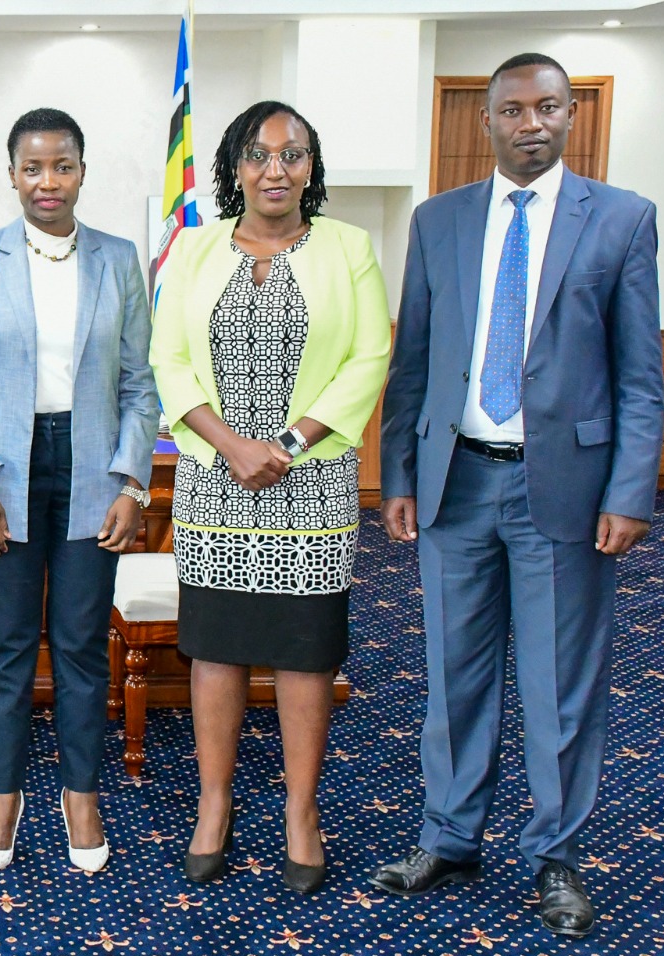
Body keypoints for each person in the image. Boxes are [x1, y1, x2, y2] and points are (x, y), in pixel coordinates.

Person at [371, 54, 661, 938]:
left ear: (570, 115)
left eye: (547, 108)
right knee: (454, 678)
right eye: (512, 110)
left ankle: (557, 857)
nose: (530, 122)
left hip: (565, 492)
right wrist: (400, 476)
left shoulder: (620, 220)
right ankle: (451, 836)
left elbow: (640, 377)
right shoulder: (440, 221)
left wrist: (632, 490)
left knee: (559, 682)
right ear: (485, 121)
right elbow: (412, 362)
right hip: (456, 486)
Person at [150, 101, 391, 894]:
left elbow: (367, 356)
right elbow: (169, 357)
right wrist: (231, 445)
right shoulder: (195, 246)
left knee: (303, 650)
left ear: (311, 168)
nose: (275, 169)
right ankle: (213, 806)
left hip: (311, 483)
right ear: (235, 167)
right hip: (215, 483)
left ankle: (301, 812)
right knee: (215, 647)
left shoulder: (349, 248)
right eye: (258, 154)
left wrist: (285, 446)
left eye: (292, 154)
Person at [0, 107, 158, 874]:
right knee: (3, 649)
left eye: (61, 166)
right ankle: (3, 798)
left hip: (92, 468)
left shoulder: (120, 259)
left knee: (80, 648)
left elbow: (140, 384)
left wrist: (133, 481)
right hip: (4, 470)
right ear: (11, 175)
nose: (48, 181)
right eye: (32, 167)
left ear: (82, 171)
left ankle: (80, 795)